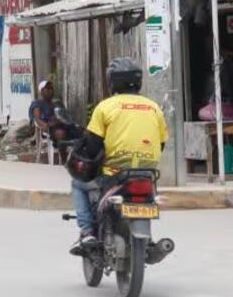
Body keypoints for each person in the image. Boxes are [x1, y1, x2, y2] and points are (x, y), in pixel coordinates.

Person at [68, 58, 168, 252]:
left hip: (115, 172)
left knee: (78, 184)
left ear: (113, 81)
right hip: (147, 173)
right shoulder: (154, 107)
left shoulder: (106, 107)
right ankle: (147, 238)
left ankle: (87, 232)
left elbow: (93, 145)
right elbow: (161, 142)